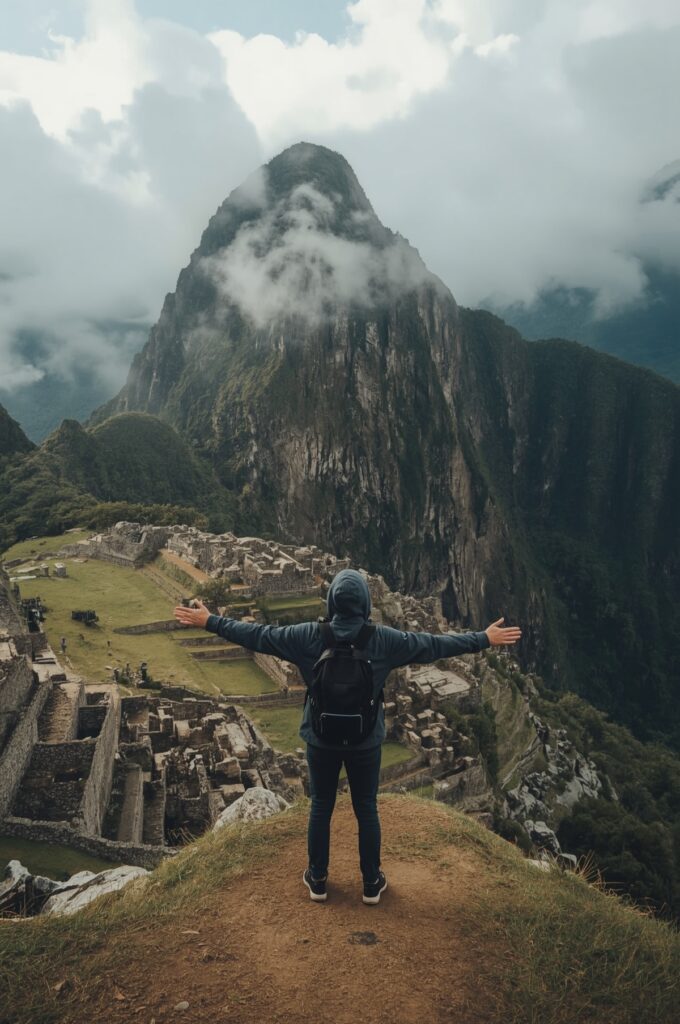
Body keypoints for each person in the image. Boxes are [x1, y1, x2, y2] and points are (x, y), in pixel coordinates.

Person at [173, 569, 522, 905]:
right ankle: (371, 883)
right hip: (364, 741)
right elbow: (434, 645)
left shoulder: (307, 636)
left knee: (321, 806)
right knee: (366, 808)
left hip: (321, 738)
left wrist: (211, 621)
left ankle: (318, 879)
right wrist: (483, 639)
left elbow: (257, 636)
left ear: (331, 603)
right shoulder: (384, 640)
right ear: (366, 604)